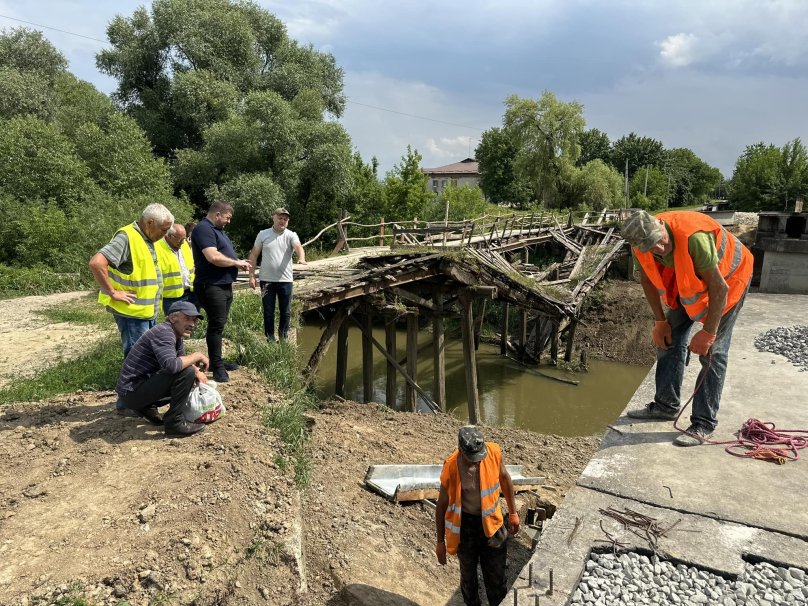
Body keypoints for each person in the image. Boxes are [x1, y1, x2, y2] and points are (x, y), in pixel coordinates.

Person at [621, 209, 753, 446]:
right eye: (651, 246)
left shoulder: (694, 237)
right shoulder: (640, 244)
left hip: (730, 280)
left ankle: (703, 423)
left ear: (661, 225)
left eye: (659, 241)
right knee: (668, 338)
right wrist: (660, 321)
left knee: (713, 353)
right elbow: (647, 280)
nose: (658, 249)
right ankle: (666, 405)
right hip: (690, 280)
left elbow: (719, 289)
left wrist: (708, 333)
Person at [89, 203, 174, 414]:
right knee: (136, 360)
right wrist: (112, 292)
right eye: (163, 230)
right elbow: (96, 263)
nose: (165, 235)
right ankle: (129, 404)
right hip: (132, 313)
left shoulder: (148, 239)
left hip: (145, 312)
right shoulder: (127, 237)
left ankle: (137, 400)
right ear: (150, 223)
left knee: (144, 358)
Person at [435, 426, 520, 606]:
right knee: (468, 580)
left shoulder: (493, 453)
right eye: (471, 459)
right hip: (466, 529)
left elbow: (505, 479)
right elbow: (441, 505)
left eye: (479, 458)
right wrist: (440, 542)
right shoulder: (451, 467)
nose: (476, 463)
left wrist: (513, 513)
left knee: (496, 580)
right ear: (461, 451)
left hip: (493, 525)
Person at [116, 301, 209, 437]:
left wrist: (197, 371)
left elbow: (181, 357)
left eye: (194, 320)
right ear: (172, 318)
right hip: (131, 393)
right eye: (187, 318)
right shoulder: (164, 333)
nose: (192, 324)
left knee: (189, 372)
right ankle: (174, 423)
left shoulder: (175, 334)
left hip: (135, 390)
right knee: (185, 373)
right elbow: (171, 366)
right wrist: (197, 355)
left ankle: (145, 407)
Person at [190, 200, 252, 383]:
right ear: (217, 214)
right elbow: (213, 257)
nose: (228, 221)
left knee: (220, 324)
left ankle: (219, 361)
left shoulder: (217, 231)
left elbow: (223, 254)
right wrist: (235, 263)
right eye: (227, 218)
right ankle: (217, 368)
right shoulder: (203, 229)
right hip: (211, 285)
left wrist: (235, 261)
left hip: (223, 284)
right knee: (216, 325)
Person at [248, 207, 307, 342]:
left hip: (285, 280)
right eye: (280, 218)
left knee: (285, 311)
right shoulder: (263, 234)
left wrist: (301, 258)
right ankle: (270, 338)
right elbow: (254, 254)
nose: (282, 221)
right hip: (266, 280)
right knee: (268, 311)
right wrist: (252, 276)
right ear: (273, 218)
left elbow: (298, 247)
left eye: (285, 219)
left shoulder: (291, 235)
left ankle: (283, 336)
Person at [156, 223, 196, 316]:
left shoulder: (184, 244)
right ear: (170, 236)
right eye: (180, 239)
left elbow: (191, 265)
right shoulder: (157, 247)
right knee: (174, 326)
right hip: (171, 297)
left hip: (190, 293)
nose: (183, 242)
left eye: (184, 238)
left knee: (189, 324)